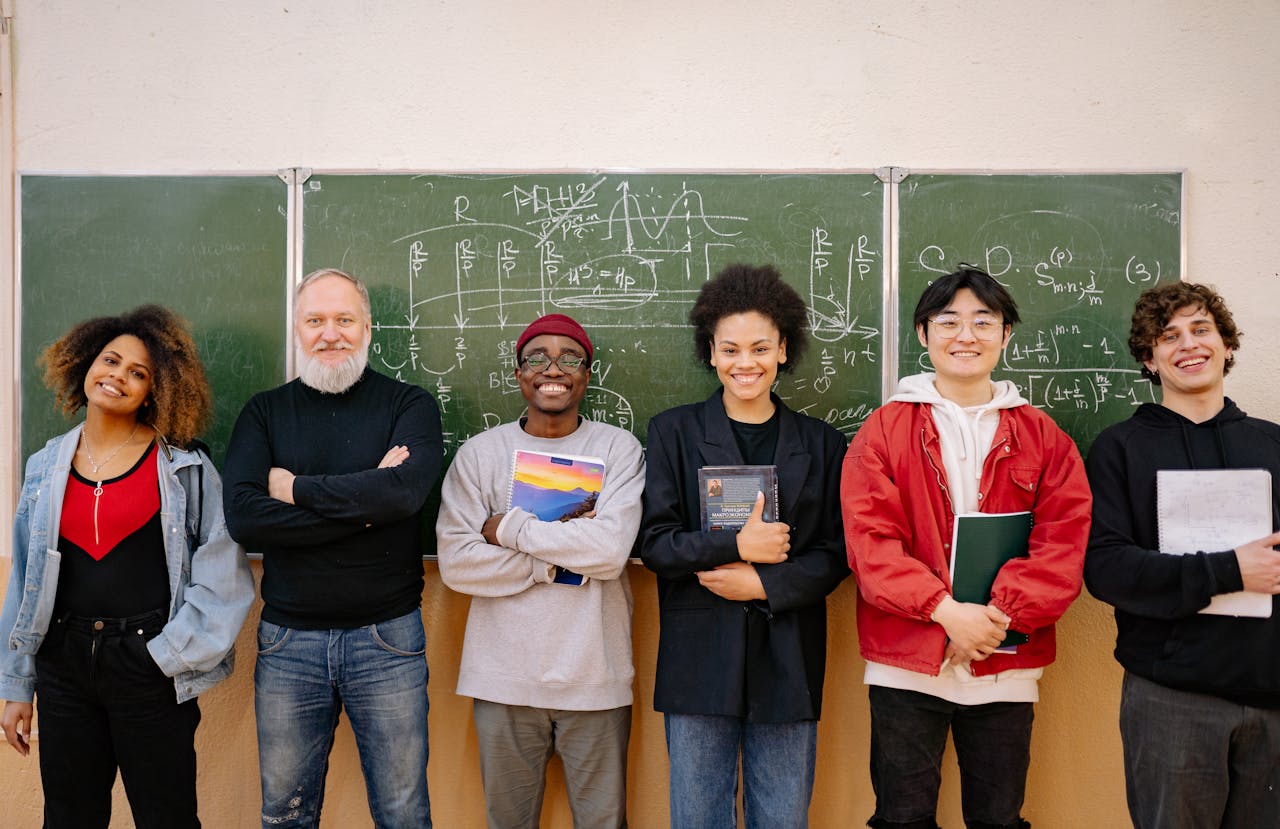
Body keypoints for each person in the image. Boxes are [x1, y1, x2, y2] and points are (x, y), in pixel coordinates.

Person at [841, 266, 1092, 829]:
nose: (966, 335)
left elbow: (1061, 545)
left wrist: (992, 623)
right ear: (923, 334)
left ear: (1005, 336)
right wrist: (947, 615)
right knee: (901, 817)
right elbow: (871, 545)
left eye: (984, 321)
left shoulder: (1045, 437)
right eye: (948, 321)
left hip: (1005, 663)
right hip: (907, 665)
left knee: (999, 819)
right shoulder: (881, 432)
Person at [0, 305, 254, 828]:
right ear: (86, 363)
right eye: (110, 361)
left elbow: (223, 575)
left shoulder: (185, 468)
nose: (118, 376)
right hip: (64, 667)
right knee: (69, 818)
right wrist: (17, 685)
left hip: (148, 667)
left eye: (138, 373)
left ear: (155, 391)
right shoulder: (45, 466)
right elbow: (25, 581)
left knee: (168, 817)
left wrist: (165, 657)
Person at [222, 268, 443, 829]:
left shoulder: (409, 404)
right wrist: (368, 504)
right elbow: (245, 518)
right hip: (288, 641)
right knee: (286, 815)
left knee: (403, 813)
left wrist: (294, 490)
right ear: (297, 330)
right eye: (315, 320)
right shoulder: (264, 412)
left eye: (344, 319)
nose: (330, 333)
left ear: (367, 327)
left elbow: (406, 495)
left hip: (387, 639)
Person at [638, 264, 849, 828]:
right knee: (697, 817)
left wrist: (763, 581)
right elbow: (655, 543)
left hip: (787, 658)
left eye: (760, 347)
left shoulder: (822, 443)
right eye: (730, 349)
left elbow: (835, 552)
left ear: (784, 348)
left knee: (782, 818)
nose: (745, 362)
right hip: (699, 659)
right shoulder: (673, 433)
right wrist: (736, 544)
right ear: (711, 353)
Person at [436, 313, 644, 829]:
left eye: (569, 358)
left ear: (588, 373)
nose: (554, 369)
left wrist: (508, 528)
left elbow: (609, 553)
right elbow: (458, 563)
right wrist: (552, 564)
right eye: (537, 358)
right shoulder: (479, 455)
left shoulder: (619, 451)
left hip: (594, 678)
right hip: (504, 681)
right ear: (518, 372)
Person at [1084, 282, 1280, 828]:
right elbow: (1106, 569)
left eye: (1201, 330)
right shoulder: (1119, 448)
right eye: (1167, 336)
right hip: (1171, 699)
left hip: (1273, 696)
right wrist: (1230, 568)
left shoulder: (1274, 444)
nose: (1187, 345)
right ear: (1149, 357)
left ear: (1226, 345)